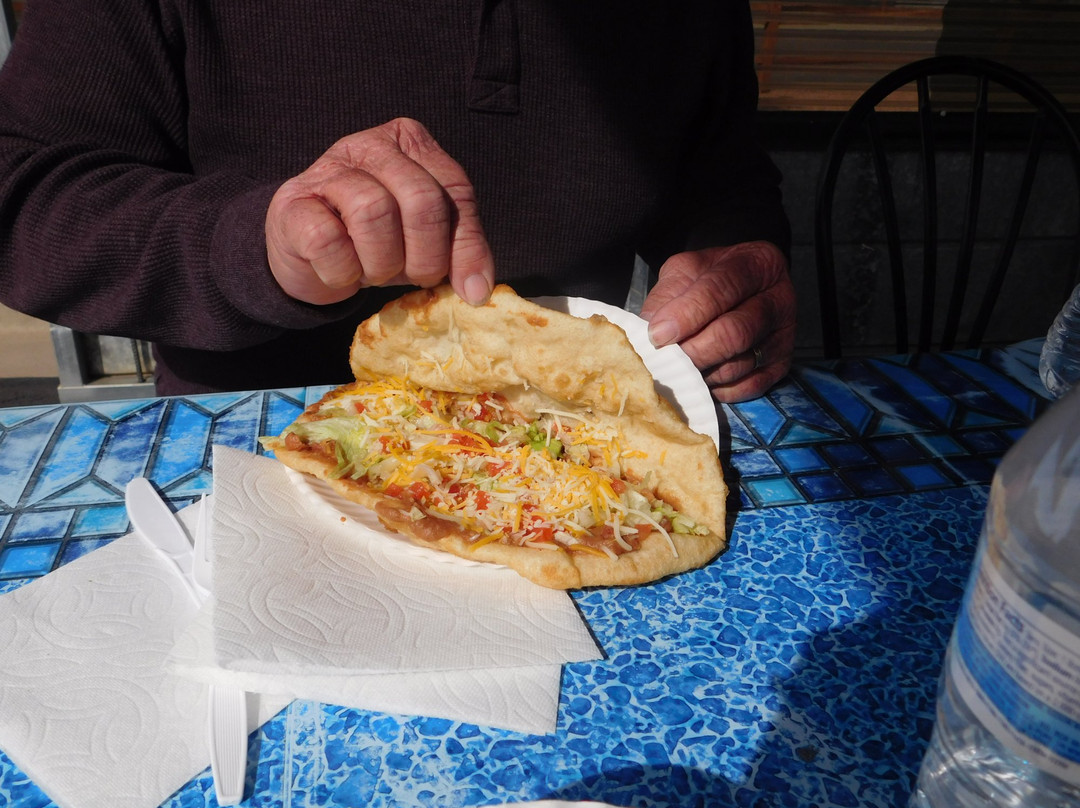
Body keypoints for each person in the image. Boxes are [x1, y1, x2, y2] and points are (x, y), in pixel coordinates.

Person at [0, 0, 794, 403]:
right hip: (252, 448)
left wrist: (737, 259)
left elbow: (718, 168)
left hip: (581, 439)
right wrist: (256, 249)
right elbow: (21, 189)